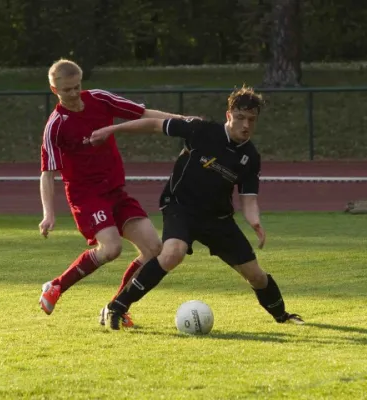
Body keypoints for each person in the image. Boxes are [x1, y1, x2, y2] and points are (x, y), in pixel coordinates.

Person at [89, 85, 305, 330]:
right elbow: (152, 125)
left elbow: (248, 198)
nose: (245, 125)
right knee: (172, 253)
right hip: (181, 207)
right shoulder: (200, 130)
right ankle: (118, 306)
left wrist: (254, 221)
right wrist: (111, 129)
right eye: (240, 118)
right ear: (228, 115)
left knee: (255, 275)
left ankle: (282, 316)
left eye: (252, 120)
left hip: (218, 219)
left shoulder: (250, 156)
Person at [38, 58, 194, 327]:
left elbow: (142, 114)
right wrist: (48, 214)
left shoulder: (99, 99)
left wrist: (182, 121)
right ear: (55, 90)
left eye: (77, 87)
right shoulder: (56, 125)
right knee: (111, 248)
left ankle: (116, 307)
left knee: (154, 249)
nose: (74, 94)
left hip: (116, 192)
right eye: (67, 90)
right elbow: (47, 172)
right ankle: (56, 286)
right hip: (86, 196)